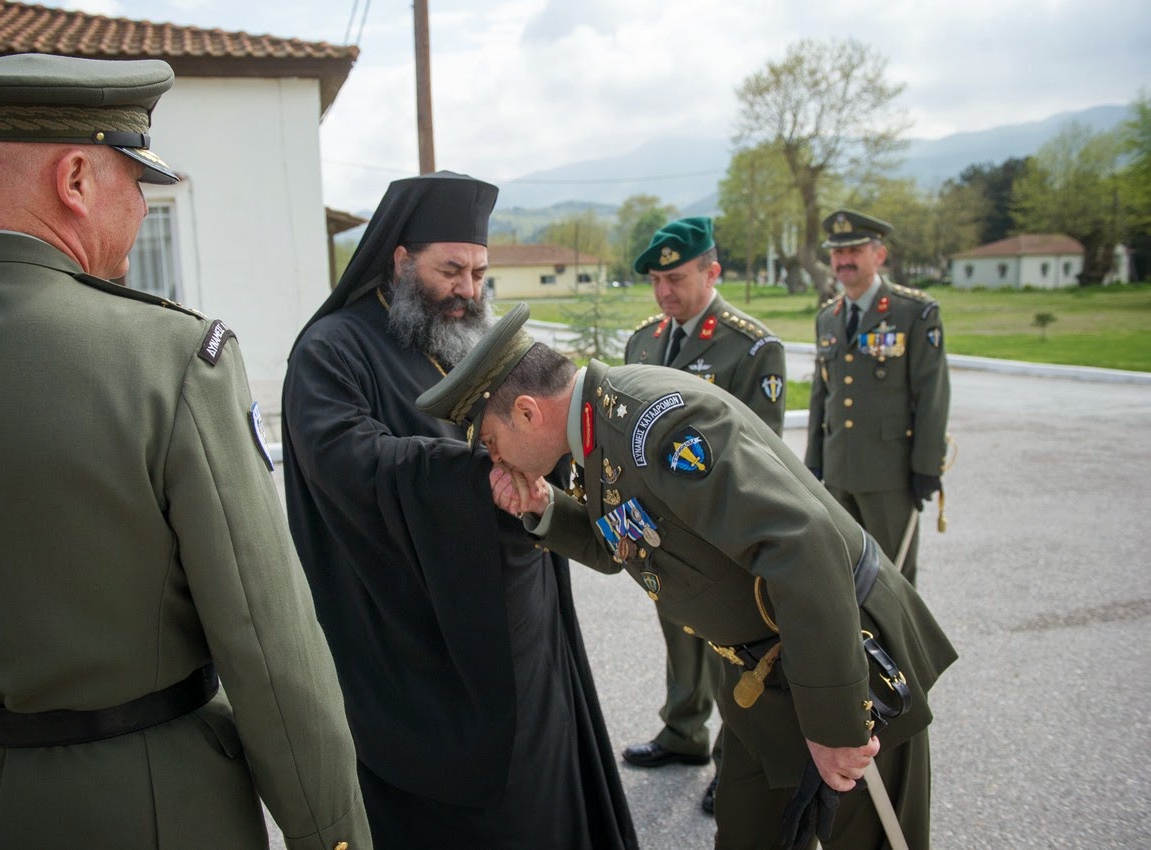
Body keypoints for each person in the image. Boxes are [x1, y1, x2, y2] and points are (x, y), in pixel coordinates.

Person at [0, 54, 370, 850]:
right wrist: (334, 836)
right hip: (142, 804)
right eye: (136, 183)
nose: (143, 211)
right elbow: (266, 645)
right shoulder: (167, 359)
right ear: (74, 178)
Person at [416, 304, 957, 850]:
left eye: (490, 441)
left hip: (842, 657)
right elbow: (624, 548)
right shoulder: (597, 431)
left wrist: (836, 727)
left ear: (528, 412)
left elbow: (804, 546)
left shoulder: (653, 424)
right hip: (763, 679)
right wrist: (542, 506)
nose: (495, 458)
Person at [280, 171, 637, 849]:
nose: (468, 290)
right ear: (398, 258)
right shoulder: (331, 351)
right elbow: (347, 463)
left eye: (478, 271)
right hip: (417, 648)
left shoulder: (471, 339)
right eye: (450, 270)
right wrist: (478, 474)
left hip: (519, 622)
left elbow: (543, 419)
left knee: (541, 799)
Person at [622, 217, 787, 816]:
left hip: (719, 534)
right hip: (662, 530)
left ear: (712, 272)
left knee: (730, 650)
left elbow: (762, 454)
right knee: (679, 636)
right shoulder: (643, 341)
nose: (665, 292)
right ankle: (683, 733)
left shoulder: (751, 346)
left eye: (677, 278)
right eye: (657, 281)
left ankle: (733, 762)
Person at [805, 210, 951, 583]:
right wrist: (814, 463)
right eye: (837, 253)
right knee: (843, 577)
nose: (843, 261)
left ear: (878, 256)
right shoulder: (828, 317)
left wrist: (926, 467)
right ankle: (858, 644)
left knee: (894, 581)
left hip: (891, 473)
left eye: (853, 250)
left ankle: (899, 645)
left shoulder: (913, 313)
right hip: (839, 474)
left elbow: (931, 395)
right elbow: (822, 395)